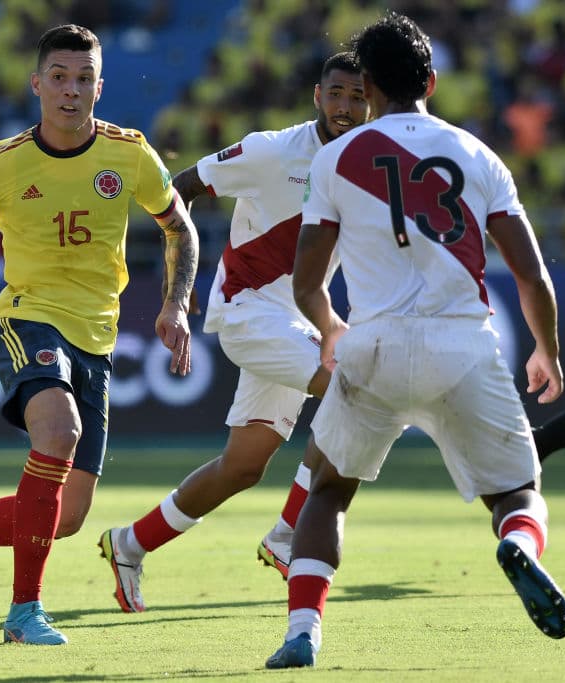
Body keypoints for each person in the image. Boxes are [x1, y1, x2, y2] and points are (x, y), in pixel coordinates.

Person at [0, 24, 199, 646]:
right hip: (28, 316)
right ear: (36, 84)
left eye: (83, 80)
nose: (70, 92)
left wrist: (176, 305)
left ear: (100, 88)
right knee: (60, 432)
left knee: (66, 517)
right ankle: (25, 613)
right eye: (58, 78)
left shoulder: (130, 154)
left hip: (96, 339)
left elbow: (179, 227)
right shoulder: (2, 163)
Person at [265, 12, 565, 669]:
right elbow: (531, 273)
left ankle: (302, 632)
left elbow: (306, 279)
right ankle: (517, 541)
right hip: (463, 346)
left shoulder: (336, 157)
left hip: (371, 344)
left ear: (367, 85)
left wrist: (330, 329)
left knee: (327, 492)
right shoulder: (478, 155)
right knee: (518, 491)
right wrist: (545, 348)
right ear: (432, 79)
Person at [98, 52, 370, 612]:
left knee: (242, 467)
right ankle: (289, 534)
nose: (346, 107)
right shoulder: (272, 151)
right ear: (317, 97)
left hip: (295, 321)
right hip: (246, 312)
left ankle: (130, 543)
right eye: (336, 94)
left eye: (357, 96)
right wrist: (182, 278)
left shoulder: (366, 165)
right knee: (356, 390)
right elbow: (179, 189)